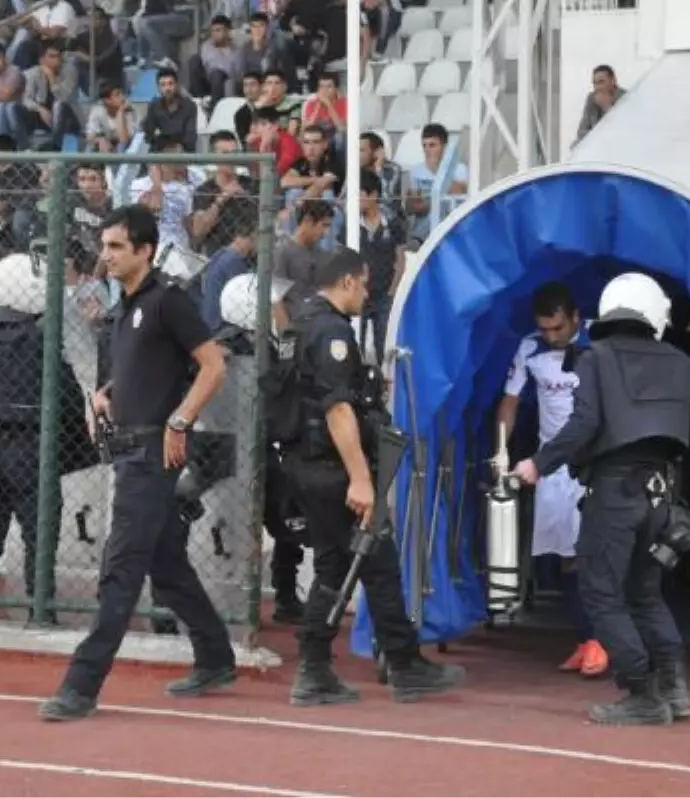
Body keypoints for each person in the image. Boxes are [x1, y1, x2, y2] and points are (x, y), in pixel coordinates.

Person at [511, 273, 690, 726]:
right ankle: (674, 690)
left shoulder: (595, 358)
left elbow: (583, 426)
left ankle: (641, 692)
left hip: (612, 491)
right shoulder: (679, 361)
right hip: (663, 497)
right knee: (645, 593)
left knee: (601, 593)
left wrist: (536, 464)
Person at [40, 205, 236, 722]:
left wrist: (180, 421)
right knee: (166, 564)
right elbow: (134, 371)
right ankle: (216, 656)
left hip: (153, 454)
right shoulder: (122, 306)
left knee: (121, 566)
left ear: (145, 250)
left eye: (116, 247)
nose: (105, 255)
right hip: (128, 450)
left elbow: (213, 365)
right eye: (104, 246)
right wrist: (103, 396)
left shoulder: (169, 300)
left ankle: (81, 685)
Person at [285, 247, 464, 706]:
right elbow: (338, 409)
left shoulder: (303, 323)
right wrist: (360, 479)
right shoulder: (331, 333)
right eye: (364, 284)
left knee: (349, 565)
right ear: (347, 281)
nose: (366, 293)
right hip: (333, 469)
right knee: (369, 563)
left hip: (312, 466)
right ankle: (381, 666)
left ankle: (340, 667)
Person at [0, 253, 98, 619]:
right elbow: (68, 396)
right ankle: (41, 608)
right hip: (31, 447)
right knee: (39, 533)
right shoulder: (39, 342)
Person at [496, 283, 606, 677]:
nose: (551, 337)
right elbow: (509, 403)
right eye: (545, 329)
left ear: (576, 317)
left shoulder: (602, 339)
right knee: (565, 559)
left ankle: (603, 641)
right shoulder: (529, 348)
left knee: (592, 556)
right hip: (551, 467)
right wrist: (501, 450)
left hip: (596, 468)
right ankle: (586, 639)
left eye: (558, 328)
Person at [219, 271, 305, 623]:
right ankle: (239, 597)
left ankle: (284, 593)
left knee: (288, 519)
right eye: (270, 304)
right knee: (239, 525)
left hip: (264, 444)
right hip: (237, 449)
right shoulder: (231, 343)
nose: (278, 309)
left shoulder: (264, 341)